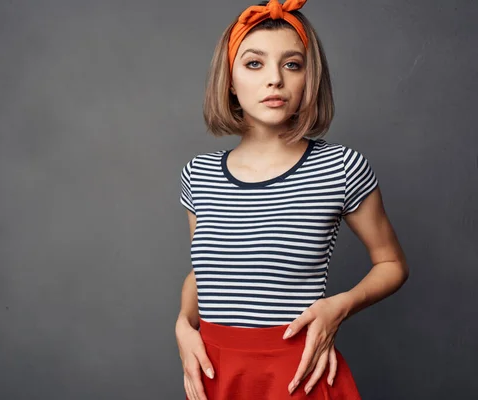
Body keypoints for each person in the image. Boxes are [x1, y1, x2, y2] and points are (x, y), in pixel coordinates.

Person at [174, 1, 409, 399]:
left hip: (300, 374)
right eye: (254, 64)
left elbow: (391, 264)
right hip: (217, 374)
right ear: (229, 80)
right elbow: (205, 271)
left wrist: (340, 306)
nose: (274, 81)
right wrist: (183, 323)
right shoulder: (199, 175)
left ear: (309, 79)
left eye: (292, 64)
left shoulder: (341, 167)